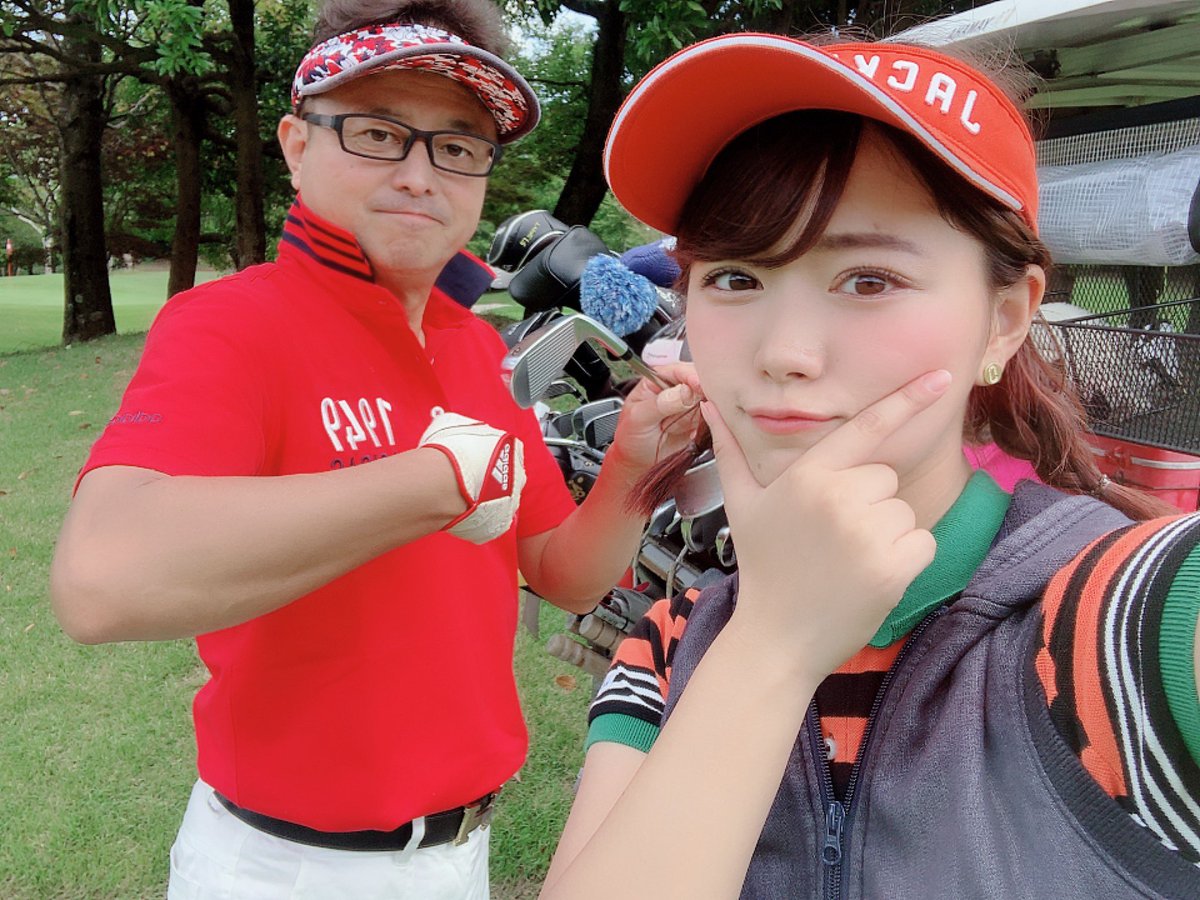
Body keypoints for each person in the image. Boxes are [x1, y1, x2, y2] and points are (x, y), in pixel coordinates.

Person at [48, 1, 698, 897]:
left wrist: (632, 462)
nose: (420, 175)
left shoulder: (474, 348)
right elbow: (100, 580)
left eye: (458, 146)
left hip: (459, 857)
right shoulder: (232, 326)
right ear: (296, 145)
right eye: (378, 133)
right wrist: (428, 483)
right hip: (283, 870)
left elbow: (564, 574)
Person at [541, 33, 1200, 899]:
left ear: (1005, 320)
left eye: (869, 280)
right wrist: (771, 644)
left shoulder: (1125, 617)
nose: (784, 353)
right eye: (735, 278)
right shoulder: (674, 643)